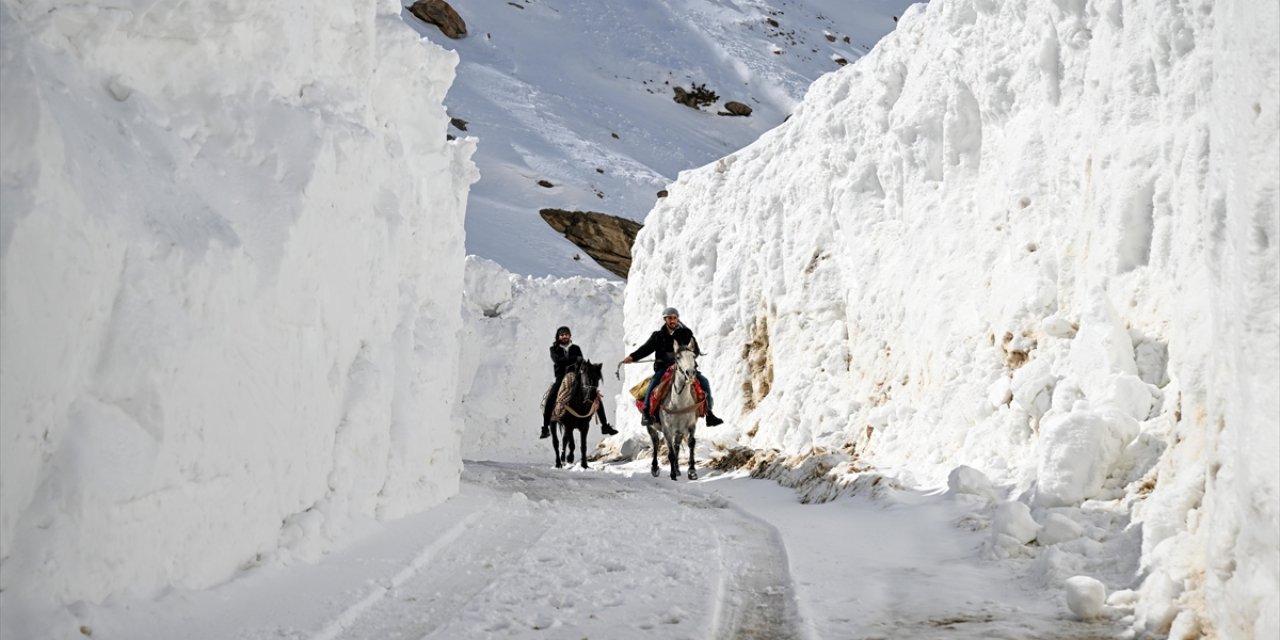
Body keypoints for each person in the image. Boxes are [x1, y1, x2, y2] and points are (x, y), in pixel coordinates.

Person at [621, 308, 723, 427]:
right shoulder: (658, 336)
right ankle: (646, 412)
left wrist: (686, 356)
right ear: (665, 319)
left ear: (678, 319)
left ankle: (709, 414)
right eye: (670, 318)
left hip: (683, 368)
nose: (673, 321)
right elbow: (646, 349)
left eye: (675, 318)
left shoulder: (685, 334)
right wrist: (632, 357)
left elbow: (695, 350)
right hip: (664, 368)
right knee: (653, 383)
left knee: (704, 382)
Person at [541, 326, 617, 438]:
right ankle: (545, 427)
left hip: (576, 377)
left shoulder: (576, 348)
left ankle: (604, 425)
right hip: (561, 378)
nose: (564, 336)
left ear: (570, 336)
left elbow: (581, 362)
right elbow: (558, 361)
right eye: (562, 335)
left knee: (594, 395)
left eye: (566, 334)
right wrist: (574, 359)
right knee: (551, 396)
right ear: (558, 337)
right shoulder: (553, 349)